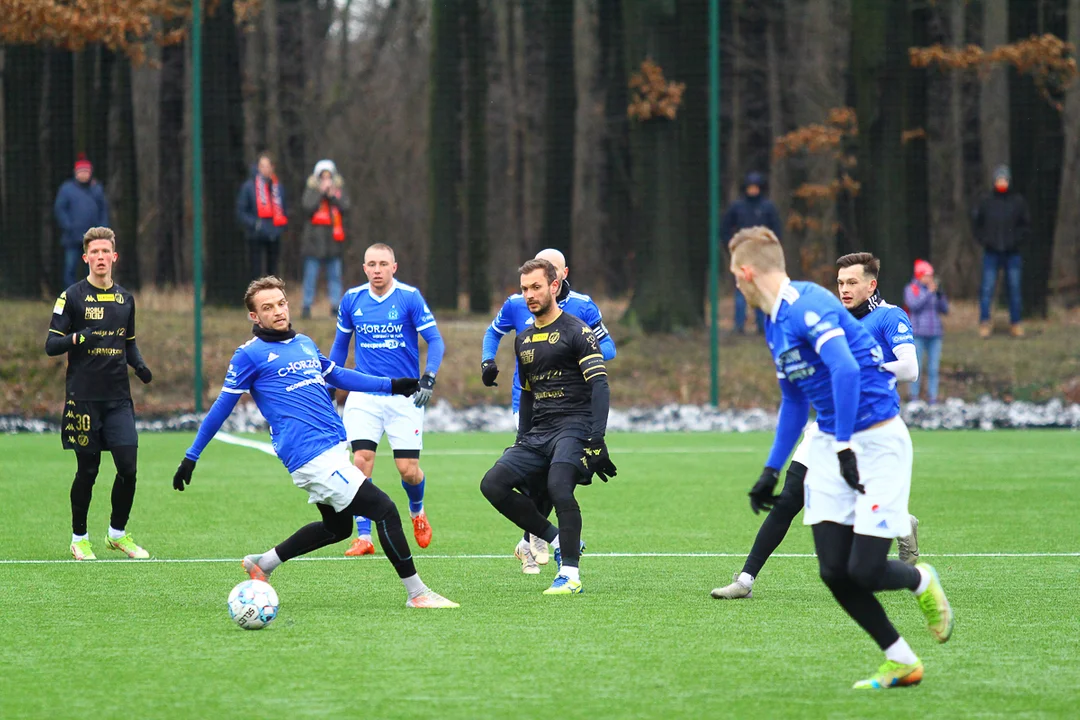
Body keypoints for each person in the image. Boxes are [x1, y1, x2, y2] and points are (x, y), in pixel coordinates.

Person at [719, 227, 952, 689]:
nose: (735, 284)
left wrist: (844, 443)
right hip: (831, 440)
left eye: (734, 276)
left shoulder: (809, 305)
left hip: (877, 440)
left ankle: (919, 580)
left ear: (747, 273)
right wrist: (771, 468)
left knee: (864, 570)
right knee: (833, 570)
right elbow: (792, 399)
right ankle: (902, 660)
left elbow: (845, 369)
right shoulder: (772, 320)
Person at [171, 276, 457, 609]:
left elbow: (339, 374)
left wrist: (393, 385)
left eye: (281, 303)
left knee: (336, 528)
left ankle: (263, 564)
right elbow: (222, 407)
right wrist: (192, 456)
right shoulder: (249, 356)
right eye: (267, 308)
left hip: (333, 448)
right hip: (311, 456)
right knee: (384, 510)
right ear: (254, 317)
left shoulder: (303, 342)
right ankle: (417, 593)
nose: (277, 311)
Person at [712, 251, 922, 601]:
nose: (844, 289)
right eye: (840, 282)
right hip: (824, 424)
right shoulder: (827, 316)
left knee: (853, 504)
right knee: (790, 497)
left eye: (852, 282)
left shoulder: (889, 317)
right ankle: (745, 579)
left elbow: (910, 369)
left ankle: (900, 522)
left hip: (869, 428)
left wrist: (864, 369)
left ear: (872, 285)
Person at [479, 258, 616, 595]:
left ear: (554, 287)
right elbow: (526, 395)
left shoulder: (577, 331)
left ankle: (569, 574)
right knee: (492, 484)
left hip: (575, 426)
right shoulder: (523, 339)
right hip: (539, 430)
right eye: (525, 288)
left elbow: (600, 386)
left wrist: (596, 439)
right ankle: (556, 539)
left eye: (536, 287)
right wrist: (522, 439)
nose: (529, 294)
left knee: (558, 486)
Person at [329, 244, 445, 557]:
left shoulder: (409, 297)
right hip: (364, 395)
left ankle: (417, 511)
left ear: (394, 267)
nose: (377, 269)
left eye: (383, 263)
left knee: (408, 470)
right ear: (364, 268)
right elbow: (340, 347)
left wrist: (429, 377)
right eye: (371, 264)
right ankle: (363, 536)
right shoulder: (352, 299)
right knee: (361, 462)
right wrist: (328, 385)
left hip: (403, 397)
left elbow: (435, 340)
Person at [45, 227, 153, 561]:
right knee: (88, 471)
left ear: (114, 257)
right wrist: (78, 338)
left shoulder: (125, 299)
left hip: (118, 398)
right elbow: (52, 345)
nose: (101, 257)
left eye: (106, 251)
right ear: (86, 257)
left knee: (128, 467)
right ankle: (80, 538)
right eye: (95, 252)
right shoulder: (71, 296)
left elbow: (129, 344)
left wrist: (141, 366)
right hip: (84, 398)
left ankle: (117, 535)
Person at [722, 171, 782, 334]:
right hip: (743, 254)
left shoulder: (767, 207)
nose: (753, 191)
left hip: (762, 255)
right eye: (750, 187)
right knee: (741, 289)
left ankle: (762, 325)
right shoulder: (738, 207)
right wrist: (732, 245)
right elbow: (725, 228)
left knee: (762, 289)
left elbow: (776, 231)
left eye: (756, 187)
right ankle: (739, 325)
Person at [972, 164, 1028, 338]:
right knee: (987, 289)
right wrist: (984, 240)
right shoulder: (986, 201)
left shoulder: (1018, 201)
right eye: (999, 179)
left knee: (1015, 289)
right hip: (991, 252)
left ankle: (1016, 323)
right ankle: (984, 323)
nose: (1001, 182)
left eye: (1004, 179)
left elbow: (1025, 226)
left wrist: (1016, 241)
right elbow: (976, 223)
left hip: (1012, 253)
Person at [300, 159, 350, 319]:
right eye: (323, 176)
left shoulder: (339, 190)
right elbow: (307, 208)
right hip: (314, 241)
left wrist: (332, 196)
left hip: (333, 242)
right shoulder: (311, 189)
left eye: (329, 176)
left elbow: (345, 207)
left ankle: (336, 306)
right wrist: (320, 193)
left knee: (334, 275)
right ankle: (306, 305)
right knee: (310, 275)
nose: (327, 180)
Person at [54, 154, 110, 288]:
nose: (84, 174)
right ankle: (70, 297)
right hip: (72, 237)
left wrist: (102, 230)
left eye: (86, 171)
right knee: (70, 268)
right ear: (76, 173)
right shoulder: (66, 189)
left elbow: (103, 210)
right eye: (81, 172)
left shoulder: (97, 189)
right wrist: (68, 226)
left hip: (93, 239)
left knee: (92, 269)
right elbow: (60, 209)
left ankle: (90, 295)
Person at [904, 260, 949, 404]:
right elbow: (914, 305)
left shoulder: (934, 290)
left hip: (935, 334)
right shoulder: (911, 289)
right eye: (926, 275)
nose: (929, 278)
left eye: (931, 275)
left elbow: (944, 309)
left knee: (933, 367)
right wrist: (928, 293)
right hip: (917, 333)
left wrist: (940, 295)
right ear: (919, 276)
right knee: (916, 366)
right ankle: (914, 396)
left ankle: (932, 396)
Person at [236, 152, 288, 278]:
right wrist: (255, 224)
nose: (264, 169)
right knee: (255, 271)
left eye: (267, 166)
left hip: (274, 234)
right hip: (255, 235)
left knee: (273, 272)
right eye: (262, 166)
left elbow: (284, 209)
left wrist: (280, 227)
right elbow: (241, 211)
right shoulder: (249, 187)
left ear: (272, 167)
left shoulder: (278, 187)